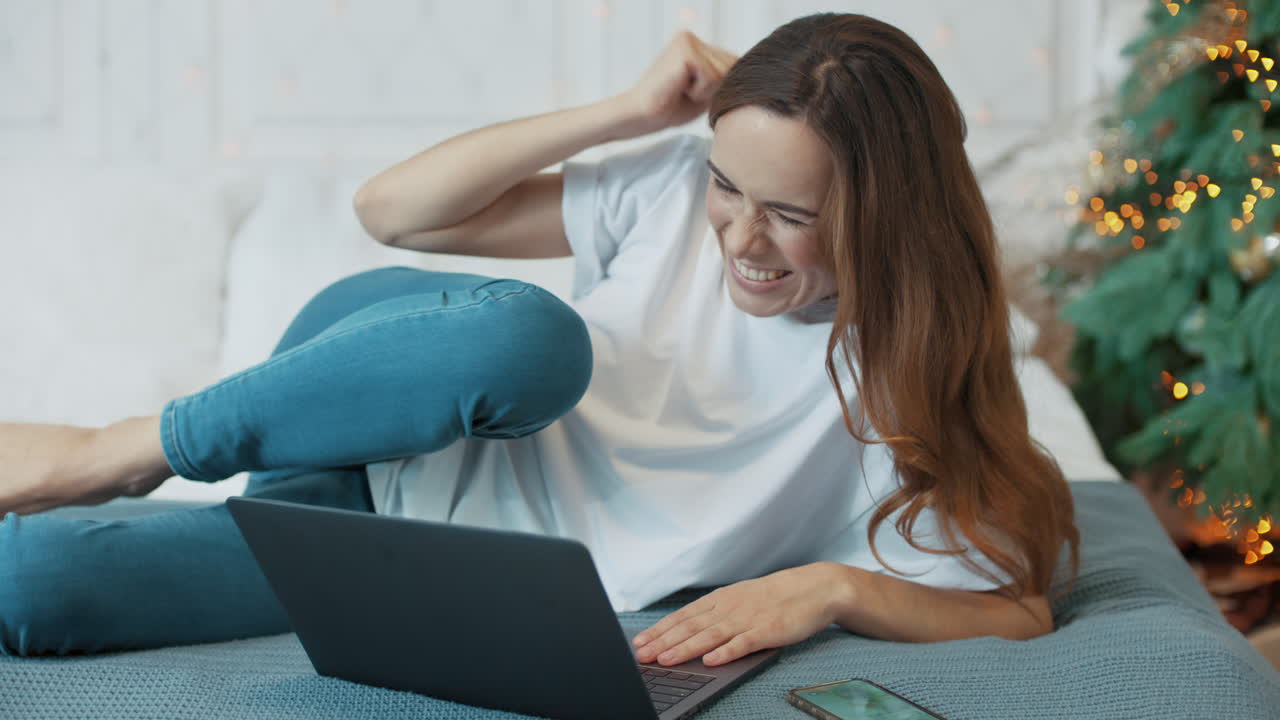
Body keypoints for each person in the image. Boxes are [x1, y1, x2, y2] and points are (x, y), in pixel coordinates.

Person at [0, 12, 1080, 664]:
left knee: (34, 588)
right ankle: (125, 447)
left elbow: (1018, 608)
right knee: (532, 344)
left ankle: (156, 480)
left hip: (397, 553)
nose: (740, 239)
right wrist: (628, 113)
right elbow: (393, 214)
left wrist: (834, 588)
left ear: (890, 219)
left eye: (790, 215)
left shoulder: (910, 380)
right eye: (726, 186)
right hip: (388, 399)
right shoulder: (668, 188)